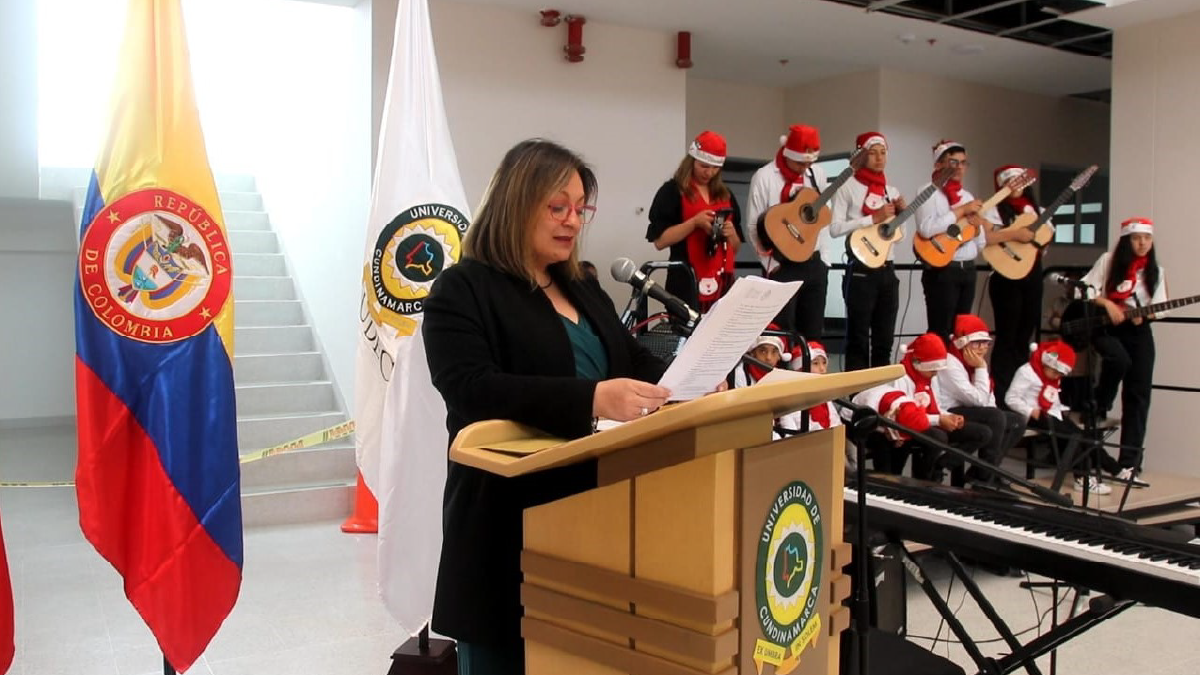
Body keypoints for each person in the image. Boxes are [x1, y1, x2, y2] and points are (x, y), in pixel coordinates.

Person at [422, 139, 672, 675]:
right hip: (506, 522)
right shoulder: (461, 289)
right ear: (517, 202)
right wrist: (590, 399)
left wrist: (689, 383)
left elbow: (630, 360)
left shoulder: (581, 284)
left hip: (600, 512)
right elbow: (470, 388)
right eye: (557, 207)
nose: (572, 221)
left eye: (581, 208)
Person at [915, 141, 1034, 343]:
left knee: (962, 333)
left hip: (968, 270)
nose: (959, 167)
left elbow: (979, 244)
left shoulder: (967, 196)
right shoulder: (928, 191)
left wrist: (978, 227)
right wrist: (961, 211)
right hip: (942, 271)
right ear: (938, 165)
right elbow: (926, 229)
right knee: (939, 332)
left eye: (963, 163)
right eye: (953, 162)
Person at [1080, 217, 1167, 487]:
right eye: (1136, 238)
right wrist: (1107, 304)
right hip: (1108, 328)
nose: (1142, 243)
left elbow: (1160, 306)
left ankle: (1130, 463)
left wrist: (1147, 315)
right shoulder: (1108, 261)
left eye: (1147, 238)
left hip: (1139, 331)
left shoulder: (1156, 271)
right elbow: (1085, 289)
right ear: (1127, 241)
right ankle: (1100, 402)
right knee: (1119, 361)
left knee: (1139, 395)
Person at [851, 333, 990, 482]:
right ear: (917, 362)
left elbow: (934, 406)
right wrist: (939, 420)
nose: (935, 374)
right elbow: (901, 416)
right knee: (936, 437)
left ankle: (940, 465)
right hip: (893, 422)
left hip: (918, 419)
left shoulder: (929, 377)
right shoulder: (900, 378)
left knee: (983, 433)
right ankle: (923, 479)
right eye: (932, 370)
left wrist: (947, 417)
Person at [829, 131, 906, 371]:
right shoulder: (846, 187)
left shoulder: (890, 191)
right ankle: (855, 400)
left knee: (884, 341)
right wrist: (871, 218)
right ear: (861, 155)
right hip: (860, 270)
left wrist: (901, 216)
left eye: (883, 153)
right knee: (858, 339)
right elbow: (835, 229)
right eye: (873, 153)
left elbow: (898, 237)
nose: (879, 158)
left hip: (887, 269)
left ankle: (883, 396)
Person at [745, 124, 830, 340]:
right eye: (800, 162)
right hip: (781, 264)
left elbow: (821, 220)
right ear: (787, 153)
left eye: (809, 162)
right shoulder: (764, 176)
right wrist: (771, 266)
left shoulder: (817, 174)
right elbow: (753, 225)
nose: (805, 167)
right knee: (781, 334)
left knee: (813, 334)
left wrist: (825, 261)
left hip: (814, 262)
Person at [646, 130, 743, 314]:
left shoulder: (726, 195)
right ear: (692, 161)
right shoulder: (672, 191)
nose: (709, 173)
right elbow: (660, 241)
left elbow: (736, 248)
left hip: (722, 280)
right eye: (704, 166)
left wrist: (731, 235)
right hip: (686, 280)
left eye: (715, 168)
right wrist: (694, 223)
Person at [1005, 340, 1111, 495]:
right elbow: (1011, 398)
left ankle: (1111, 469)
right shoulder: (1026, 372)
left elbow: (1053, 397)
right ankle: (1082, 478)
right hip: (1036, 415)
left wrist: (1060, 410)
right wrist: (1029, 410)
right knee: (1072, 437)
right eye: (1056, 372)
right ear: (1048, 363)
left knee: (1081, 435)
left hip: (1052, 413)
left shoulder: (1052, 375)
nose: (1057, 376)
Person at [939, 314, 1026, 484]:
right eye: (976, 343)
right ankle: (986, 477)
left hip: (972, 409)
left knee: (1017, 421)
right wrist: (981, 368)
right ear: (962, 343)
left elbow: (988, 401)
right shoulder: (950, 363)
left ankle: (983, 472)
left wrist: (980, 368)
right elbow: (978, 401)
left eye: (985, 343)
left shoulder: (975, 363)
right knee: (995, 417)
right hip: (948, 411)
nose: (982, 349)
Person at [986, 165, 1049, 400]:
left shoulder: (1038, 211)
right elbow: (985, 237)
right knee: (1007, 333)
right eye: (1010, 181)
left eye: (1020, 180)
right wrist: (1015, 235)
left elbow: (1045, 240)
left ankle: (1021, 392)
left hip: (1032, 272)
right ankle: (1001, 393)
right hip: (1005, 276)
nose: (1016, 185)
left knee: (1026, 333)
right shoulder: (993, 210)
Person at [803, 340, 843, 433]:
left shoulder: (826, 394)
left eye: (824, 363)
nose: (822, 369)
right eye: (816, 363)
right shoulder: (794, 397)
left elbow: (835, 421)